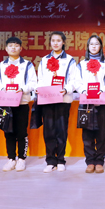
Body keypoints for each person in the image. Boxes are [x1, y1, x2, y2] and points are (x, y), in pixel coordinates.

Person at [0, 36, 38, 172]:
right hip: (6, 103)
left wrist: (22, 89)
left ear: (21, 48)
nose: (13, 48)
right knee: (8, 131)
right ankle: (11, 158)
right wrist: (3, 90)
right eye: (10, 45)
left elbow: (33, 82)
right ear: (6, 49)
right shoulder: (0, 66)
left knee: (21, 131)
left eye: (16, 45)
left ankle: (22, 158)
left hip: (22, 102)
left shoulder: (27, 65)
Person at [36, 31, 78, 173]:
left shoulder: (70, 60)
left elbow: (73, 80)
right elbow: (40, 79)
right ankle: (50, 161)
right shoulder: (44, 60)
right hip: (47, 99)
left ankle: (60, 160)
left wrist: (66, 89)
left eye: (58, 40)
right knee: (48, 130)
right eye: (53, 40)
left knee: (61, 129)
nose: (55, 43)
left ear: (63, 42)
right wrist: (39, 89)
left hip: (63, 99)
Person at [76, 35, 105, 173]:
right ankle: (90, 161)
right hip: (86, 102)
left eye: (96, 44)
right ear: (88, 47)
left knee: (101, 133)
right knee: (87, 134)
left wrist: (102, 90)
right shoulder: (81, 64)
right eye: (91, 44)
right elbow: (77, 81)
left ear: (101, 46)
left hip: (102, 102)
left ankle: (99, 161)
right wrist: (84, 91)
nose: (94, 46)